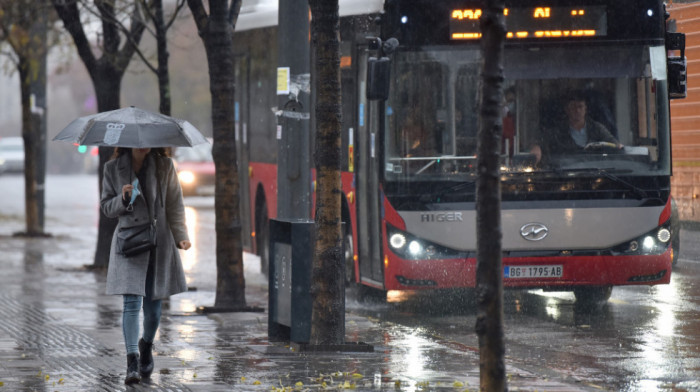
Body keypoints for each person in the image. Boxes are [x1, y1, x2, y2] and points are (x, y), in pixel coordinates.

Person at [100, 147, 191, 385]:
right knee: (131, 303)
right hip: (129, 242)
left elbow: (175, 204)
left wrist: (181, 235)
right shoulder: (112, 168)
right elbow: (107, 208)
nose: (143, 145)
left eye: (149, 141)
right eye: (138, 141)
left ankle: (146, 345)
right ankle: (132, 362)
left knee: (154, 310)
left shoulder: (165, 166)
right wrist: (123, 199)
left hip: (158, 242)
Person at [531, 91, 622, 163]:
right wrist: (537, 148)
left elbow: (614, 144)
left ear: (585, 109)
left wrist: (619, 147)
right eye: (573, 107)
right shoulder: (557, 131)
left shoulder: (597, 128)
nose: (577, 111)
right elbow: (542, 142)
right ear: (567, 110)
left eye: (580, 107)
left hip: (594, 174)